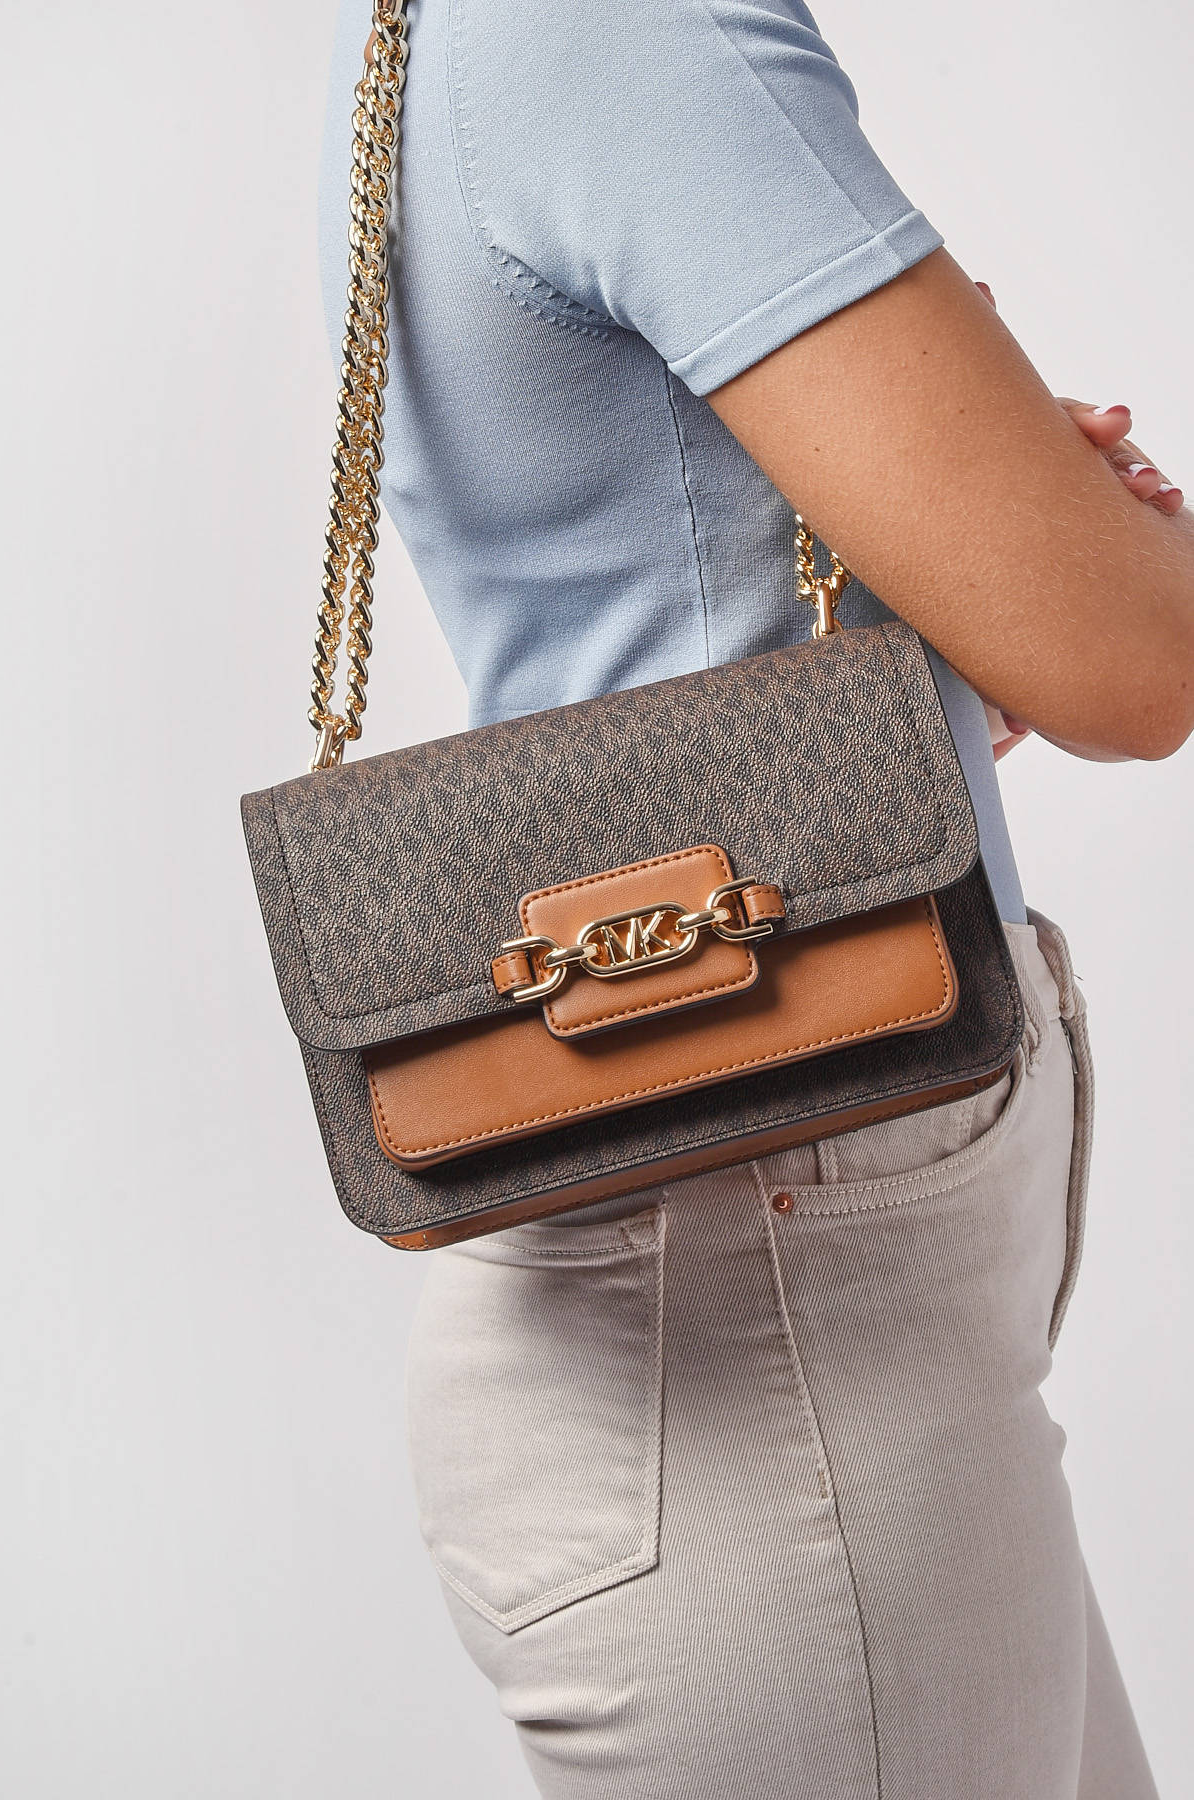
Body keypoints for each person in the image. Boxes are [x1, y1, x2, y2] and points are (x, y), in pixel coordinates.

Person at [316, 3, 1192, 1793]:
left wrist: (960, 539)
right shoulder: (618, 22)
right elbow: (1133, 660)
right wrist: (1067, 545)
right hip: (762, 1325)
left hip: (750, 1311)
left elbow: (636, 530)